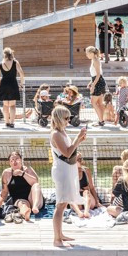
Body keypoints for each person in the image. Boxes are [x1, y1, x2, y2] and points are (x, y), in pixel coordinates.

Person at [50, 105, 88, 247]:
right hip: (62, 171)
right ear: (59, 118)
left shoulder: (62, 132)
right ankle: (56, 239)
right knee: (60, 205)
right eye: (66, 118)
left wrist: (78, 141)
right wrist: (77, 139)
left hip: (67, 169)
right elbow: (66, 153)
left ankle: (60, 234)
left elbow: (69, 151)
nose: (68, 120)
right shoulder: (55, 134)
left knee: (64, 203)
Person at [0, 151, 43, 223]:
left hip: (34, 199)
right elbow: (4, 191)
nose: (14, 161)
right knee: (22, 204)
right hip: (19, 200)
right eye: (12, 160)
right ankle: (26, 213)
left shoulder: (28, 169)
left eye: (17, 159)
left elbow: (35, 182)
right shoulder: (6, 173)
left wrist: (22, 173)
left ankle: (34, 207)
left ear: (21, 160)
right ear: (9, 163)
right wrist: (1, 202)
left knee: (36, 185)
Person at [0, 47, 24, 129]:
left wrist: (0, 85)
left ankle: (6, 122)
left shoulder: (1, 64)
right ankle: (12, 123)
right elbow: (21, 73)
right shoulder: (15, 62)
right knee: (12, 105)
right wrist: (21, 84)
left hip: (4, 84)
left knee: (5, 105)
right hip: (13, 84)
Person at [86, 46, 108, 126]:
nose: (86, 55)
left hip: (98, 82)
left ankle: (101, 120)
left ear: (92, 53)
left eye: (87, 53)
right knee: (99, 103)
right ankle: (101, 120)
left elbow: (98, 74)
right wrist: (90, 82)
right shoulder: (94, 60)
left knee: (93, 102)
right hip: (98, 81)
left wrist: (93, 85)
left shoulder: (95, 60)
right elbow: (95, 75)